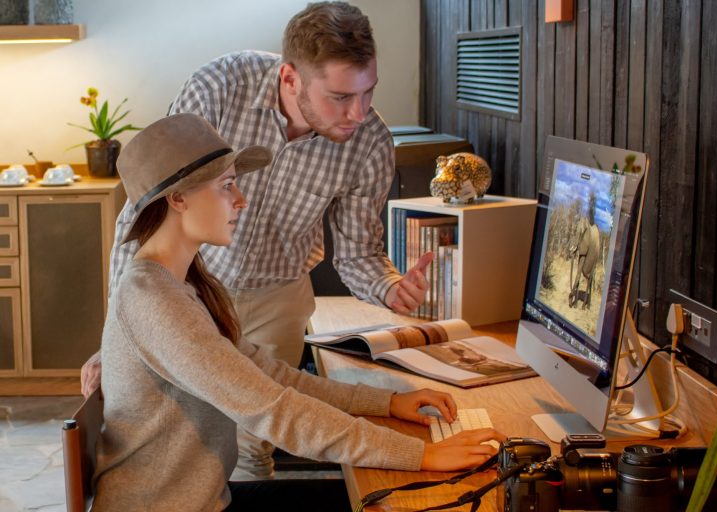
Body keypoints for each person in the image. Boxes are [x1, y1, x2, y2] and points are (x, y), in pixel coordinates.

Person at [81, 1, 434, 476]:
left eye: (368, 92)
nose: (359, 112)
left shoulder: (369, 141)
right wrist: (119, 333)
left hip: (279, 294)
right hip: (195, 286)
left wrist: (391, 287)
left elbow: (357, 252)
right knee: (187, 438)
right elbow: (149, 205)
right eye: (339, 97)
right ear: (290, 78)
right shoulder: (220, 86)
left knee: (254, 446)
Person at [92, 113, 505, 511]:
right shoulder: (154, 300)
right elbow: (271, 409)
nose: (241, 200)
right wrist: (422, 454)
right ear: (177, 198)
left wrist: (387, 403)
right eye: (227, 185)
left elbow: (272, 377)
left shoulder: (184, 284)